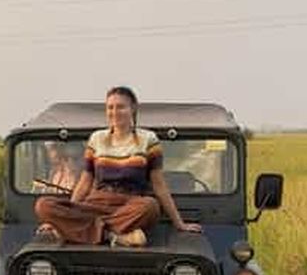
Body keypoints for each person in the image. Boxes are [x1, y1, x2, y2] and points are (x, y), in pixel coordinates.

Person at [35, 86, 202, 246]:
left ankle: (74, 232)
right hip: (96, 202)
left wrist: (179, 223)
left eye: (121, 107)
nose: (114, 112)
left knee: (150, 206)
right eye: (110, 108)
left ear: (133, 109)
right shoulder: (97, 139)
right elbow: (85, 181)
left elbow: (159, 185)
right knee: (43, 205)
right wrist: (69, 211)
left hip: (130, 205)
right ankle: (114, 236)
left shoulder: (149, 140)